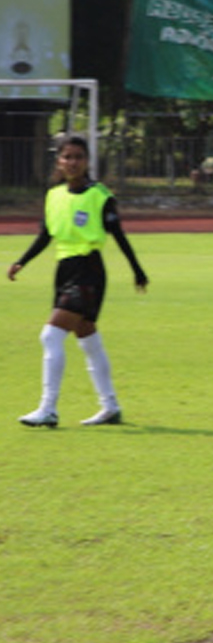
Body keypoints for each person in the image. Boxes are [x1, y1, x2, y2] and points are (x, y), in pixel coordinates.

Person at [10, 136, 151, 428]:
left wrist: (137, 270)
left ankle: (48, 408)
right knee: (87, 338)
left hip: (89, 270)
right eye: (67, 157)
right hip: (64, 271)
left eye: (78, 157)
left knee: (50, 336)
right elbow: (46, 235)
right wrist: (22, 261)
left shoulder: (100, 195)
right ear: (59, 161)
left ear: (87, 161)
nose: (72, 162)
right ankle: (110, 406)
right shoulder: (54, 195)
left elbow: (119, 235)